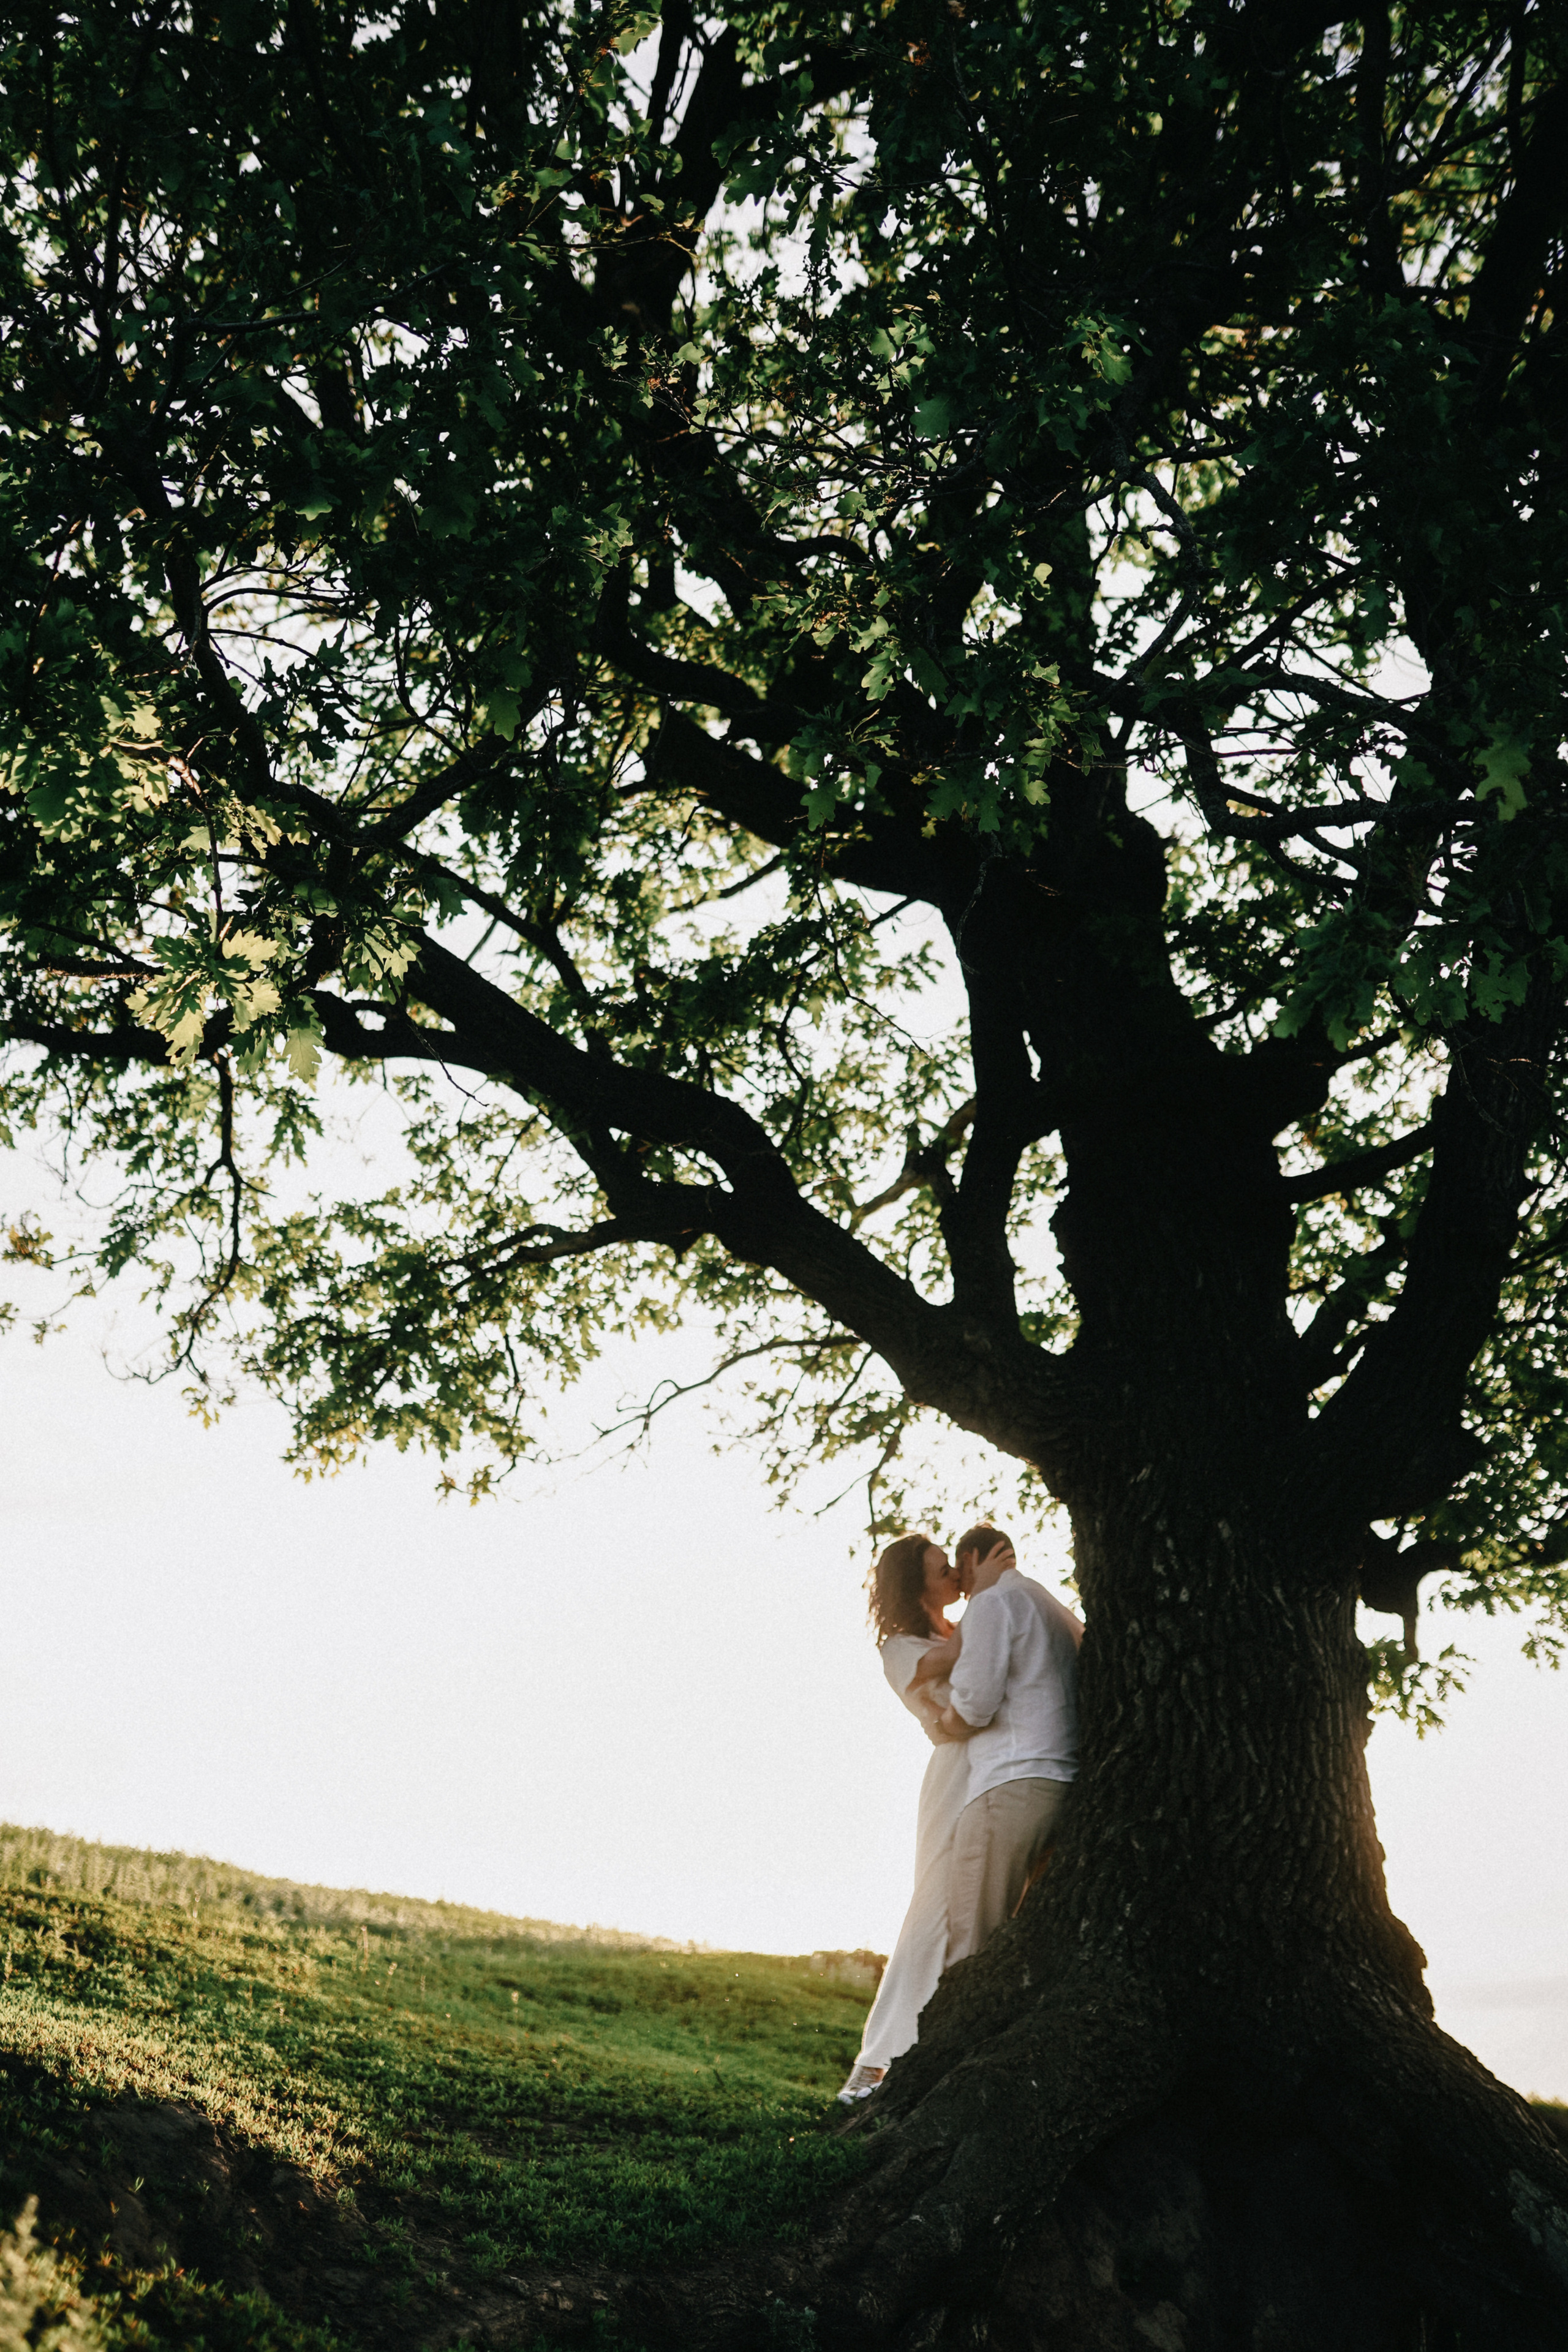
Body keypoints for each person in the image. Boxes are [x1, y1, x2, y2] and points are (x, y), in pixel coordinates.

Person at [836, 1532, 968, 2104]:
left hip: (997, 1765)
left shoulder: (958, 1629)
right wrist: (1000, 1594)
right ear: (917, 1586)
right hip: (956, 1773)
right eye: (945, 1570)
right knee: (933, 1906)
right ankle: (876, 2059)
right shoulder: (901, 1647)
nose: (956, 1576)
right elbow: (957, 1661)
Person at [937, 1525, 1081, 1969]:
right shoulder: (1053, 1607)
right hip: (1064, 1784)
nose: (961, 1588)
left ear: (971, 1559)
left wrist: (944, 1723)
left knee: (972, 1941)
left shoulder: (992, 1602)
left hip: (1009, 1787)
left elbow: (974, 1705)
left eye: (959, 1571)